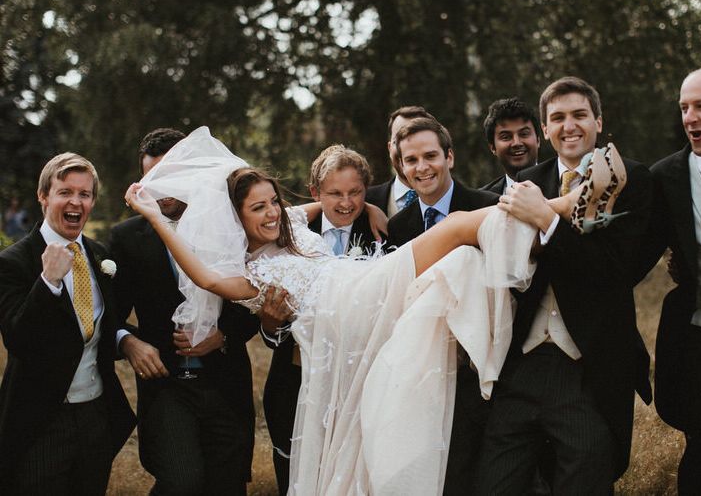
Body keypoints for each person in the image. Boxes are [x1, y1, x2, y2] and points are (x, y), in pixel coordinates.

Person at [124, 126, 623, 495]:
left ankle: (561, 216)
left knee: (461, 253)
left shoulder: (291, 224)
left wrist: (374, 207)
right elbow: (204, 276)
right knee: (455, 231)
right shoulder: (249, 271)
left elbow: (325, 202)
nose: (272, 212)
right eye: (258, 209)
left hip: (358, 292)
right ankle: (565, 206)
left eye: (273, 201)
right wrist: (153, 214)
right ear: (237, 220)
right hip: (351, 301)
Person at [477, 76, 652, 494]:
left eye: (579, 115)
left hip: (589, 362)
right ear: (545, 129)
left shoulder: (631, 180)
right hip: (522, 360)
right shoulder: (524, 182)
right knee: (493, 482)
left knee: (587, 477)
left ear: (598, 121)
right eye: (557, 118)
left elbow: (616, 270)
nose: (569, 125)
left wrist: (548, 221)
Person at [110, 128, 261, 495]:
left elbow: (256, 299)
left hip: (225, 382)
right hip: (167, 388)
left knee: (226, 485)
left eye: (168, 177)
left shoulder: (233, 226)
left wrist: (222, 335)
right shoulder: (126, 238)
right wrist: (129, 342)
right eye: (150, 180)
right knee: (181, 481)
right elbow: (109, 313)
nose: (159, 190)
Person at [0, 153, 135, 495]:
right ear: (44, 196)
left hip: (96, 415)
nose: (75, 201)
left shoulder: (100, 255)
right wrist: (48, 283)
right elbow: (18, 339)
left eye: (84, 194)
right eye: (65, 192)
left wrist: (128, 340)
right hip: (43, 420)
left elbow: (103, 325)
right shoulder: (13, 262)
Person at [386, 116, 499, 494]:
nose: (422, 167)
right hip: (423, 374)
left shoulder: (488, 207)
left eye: (430, 155)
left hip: (479, 369)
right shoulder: (397, 227)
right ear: (401, 168)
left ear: (449, 157)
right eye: (411, 160)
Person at [262, 144, 379, 494]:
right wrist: (270, 325)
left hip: (360, 383)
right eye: (335, 193)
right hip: (295, 379)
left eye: (356, 193)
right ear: (315, 193)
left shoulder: (382, 231)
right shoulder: (285, 234)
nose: (346, 203)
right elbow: (270, 326)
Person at [638, 65, 701, 494]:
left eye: (700, 107)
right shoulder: (667, 178)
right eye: (683, 108)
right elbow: (636, 256)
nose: (689, 117)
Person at [366, 105, 436, 217]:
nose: (406, 149)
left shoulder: (468, 204)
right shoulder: (364, 202)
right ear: (389, 148)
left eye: (418, 140)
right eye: (399, 140)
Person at [481, 97, 541, 194]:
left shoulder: (561, 185)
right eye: (506, 137)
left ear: (538, 140)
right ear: (492, 147)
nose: (516, 143)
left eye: (524, 134)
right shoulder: (481, 200)